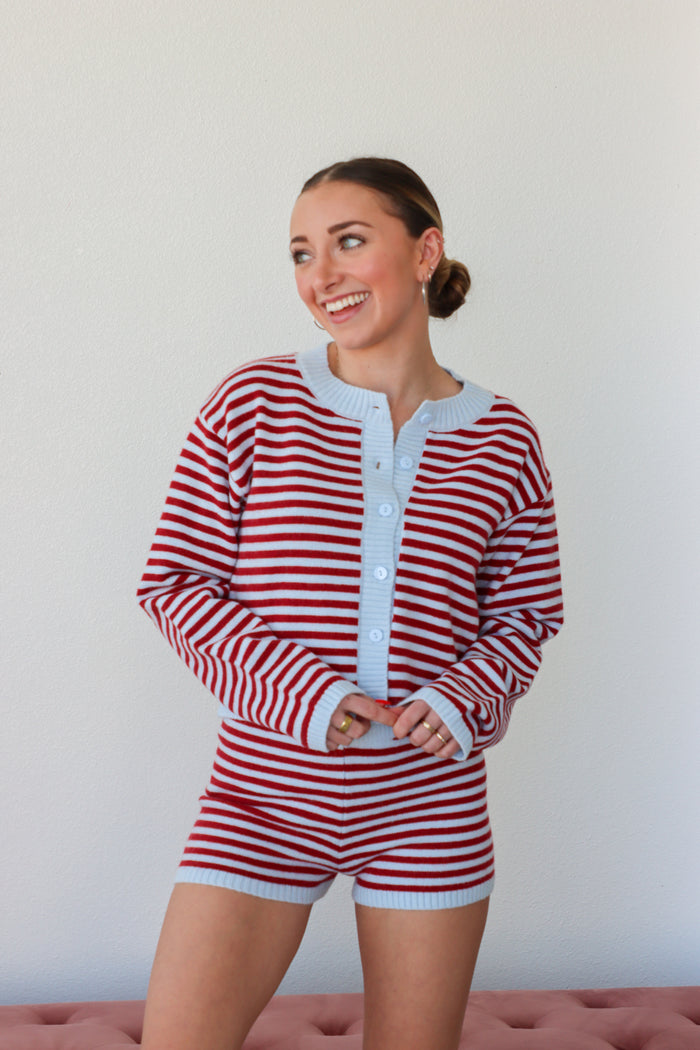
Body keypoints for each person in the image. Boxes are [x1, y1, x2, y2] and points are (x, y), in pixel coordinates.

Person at [136, 157, 563, 1050]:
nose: (319, 275)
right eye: (300, 253)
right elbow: (174, 583)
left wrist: (460, 700)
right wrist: (312, 697)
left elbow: (525, 616)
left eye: (349, 241)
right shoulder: (251, 403)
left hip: (428, 808)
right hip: (260, 799)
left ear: (424, 251)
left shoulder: (505, 439)